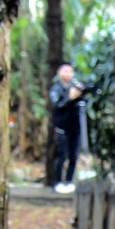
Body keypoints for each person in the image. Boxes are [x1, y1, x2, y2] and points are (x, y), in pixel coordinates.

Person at [49, 62, 85, 193]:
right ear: (59, 72)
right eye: (65, 71)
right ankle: (58, 182)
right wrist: (70, 97)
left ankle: (69, 181)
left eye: (70, 71)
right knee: (62, 155)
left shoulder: (75, 87)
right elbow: (57, 105)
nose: (68, 74)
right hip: (62, 127)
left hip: (75, 126)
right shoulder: (56, 89)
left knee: (74, 155)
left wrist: (81, 92)